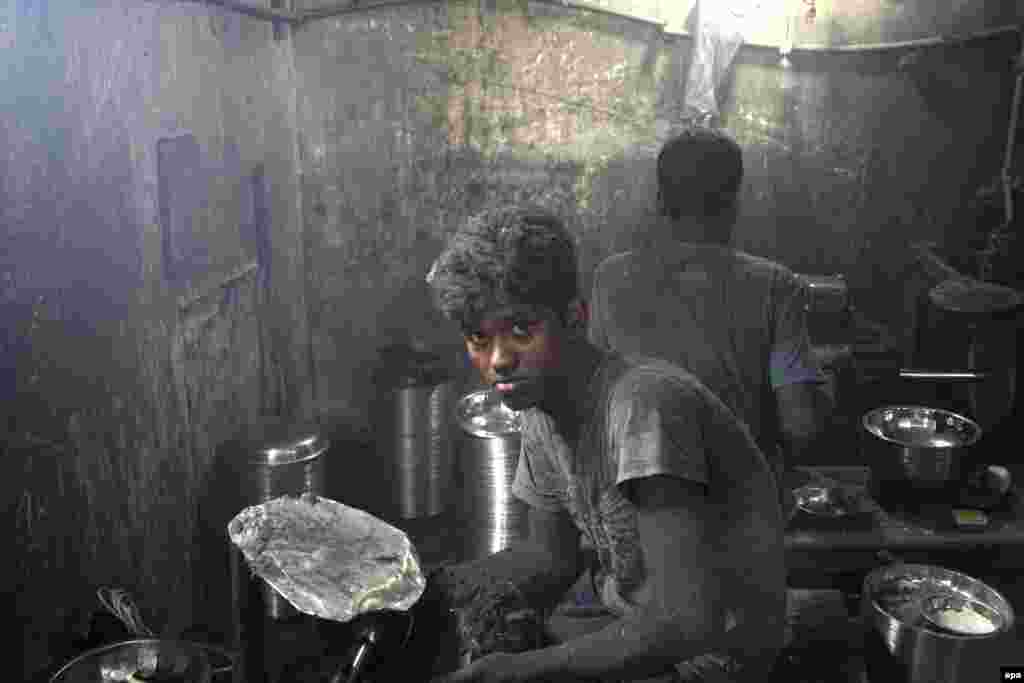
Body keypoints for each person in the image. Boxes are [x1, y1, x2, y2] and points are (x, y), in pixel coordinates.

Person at [423, 204, 786, 683]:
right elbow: (549, 557)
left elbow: (686, 621)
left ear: (575, 318)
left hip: (716, 657)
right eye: (477, 338)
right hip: (631, 622)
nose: (499, 361)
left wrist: (517, 672)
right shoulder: (537, 413)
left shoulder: (642, 405)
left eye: (520, 330)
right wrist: (427, 590)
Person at [588, 127, 833, 493]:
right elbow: (800, 426)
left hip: (636, 502)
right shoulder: (776, 286)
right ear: (735, 201)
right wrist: (826, 391)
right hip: (740, 513)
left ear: (658, 200)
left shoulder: (610, 279)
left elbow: (595, 404)